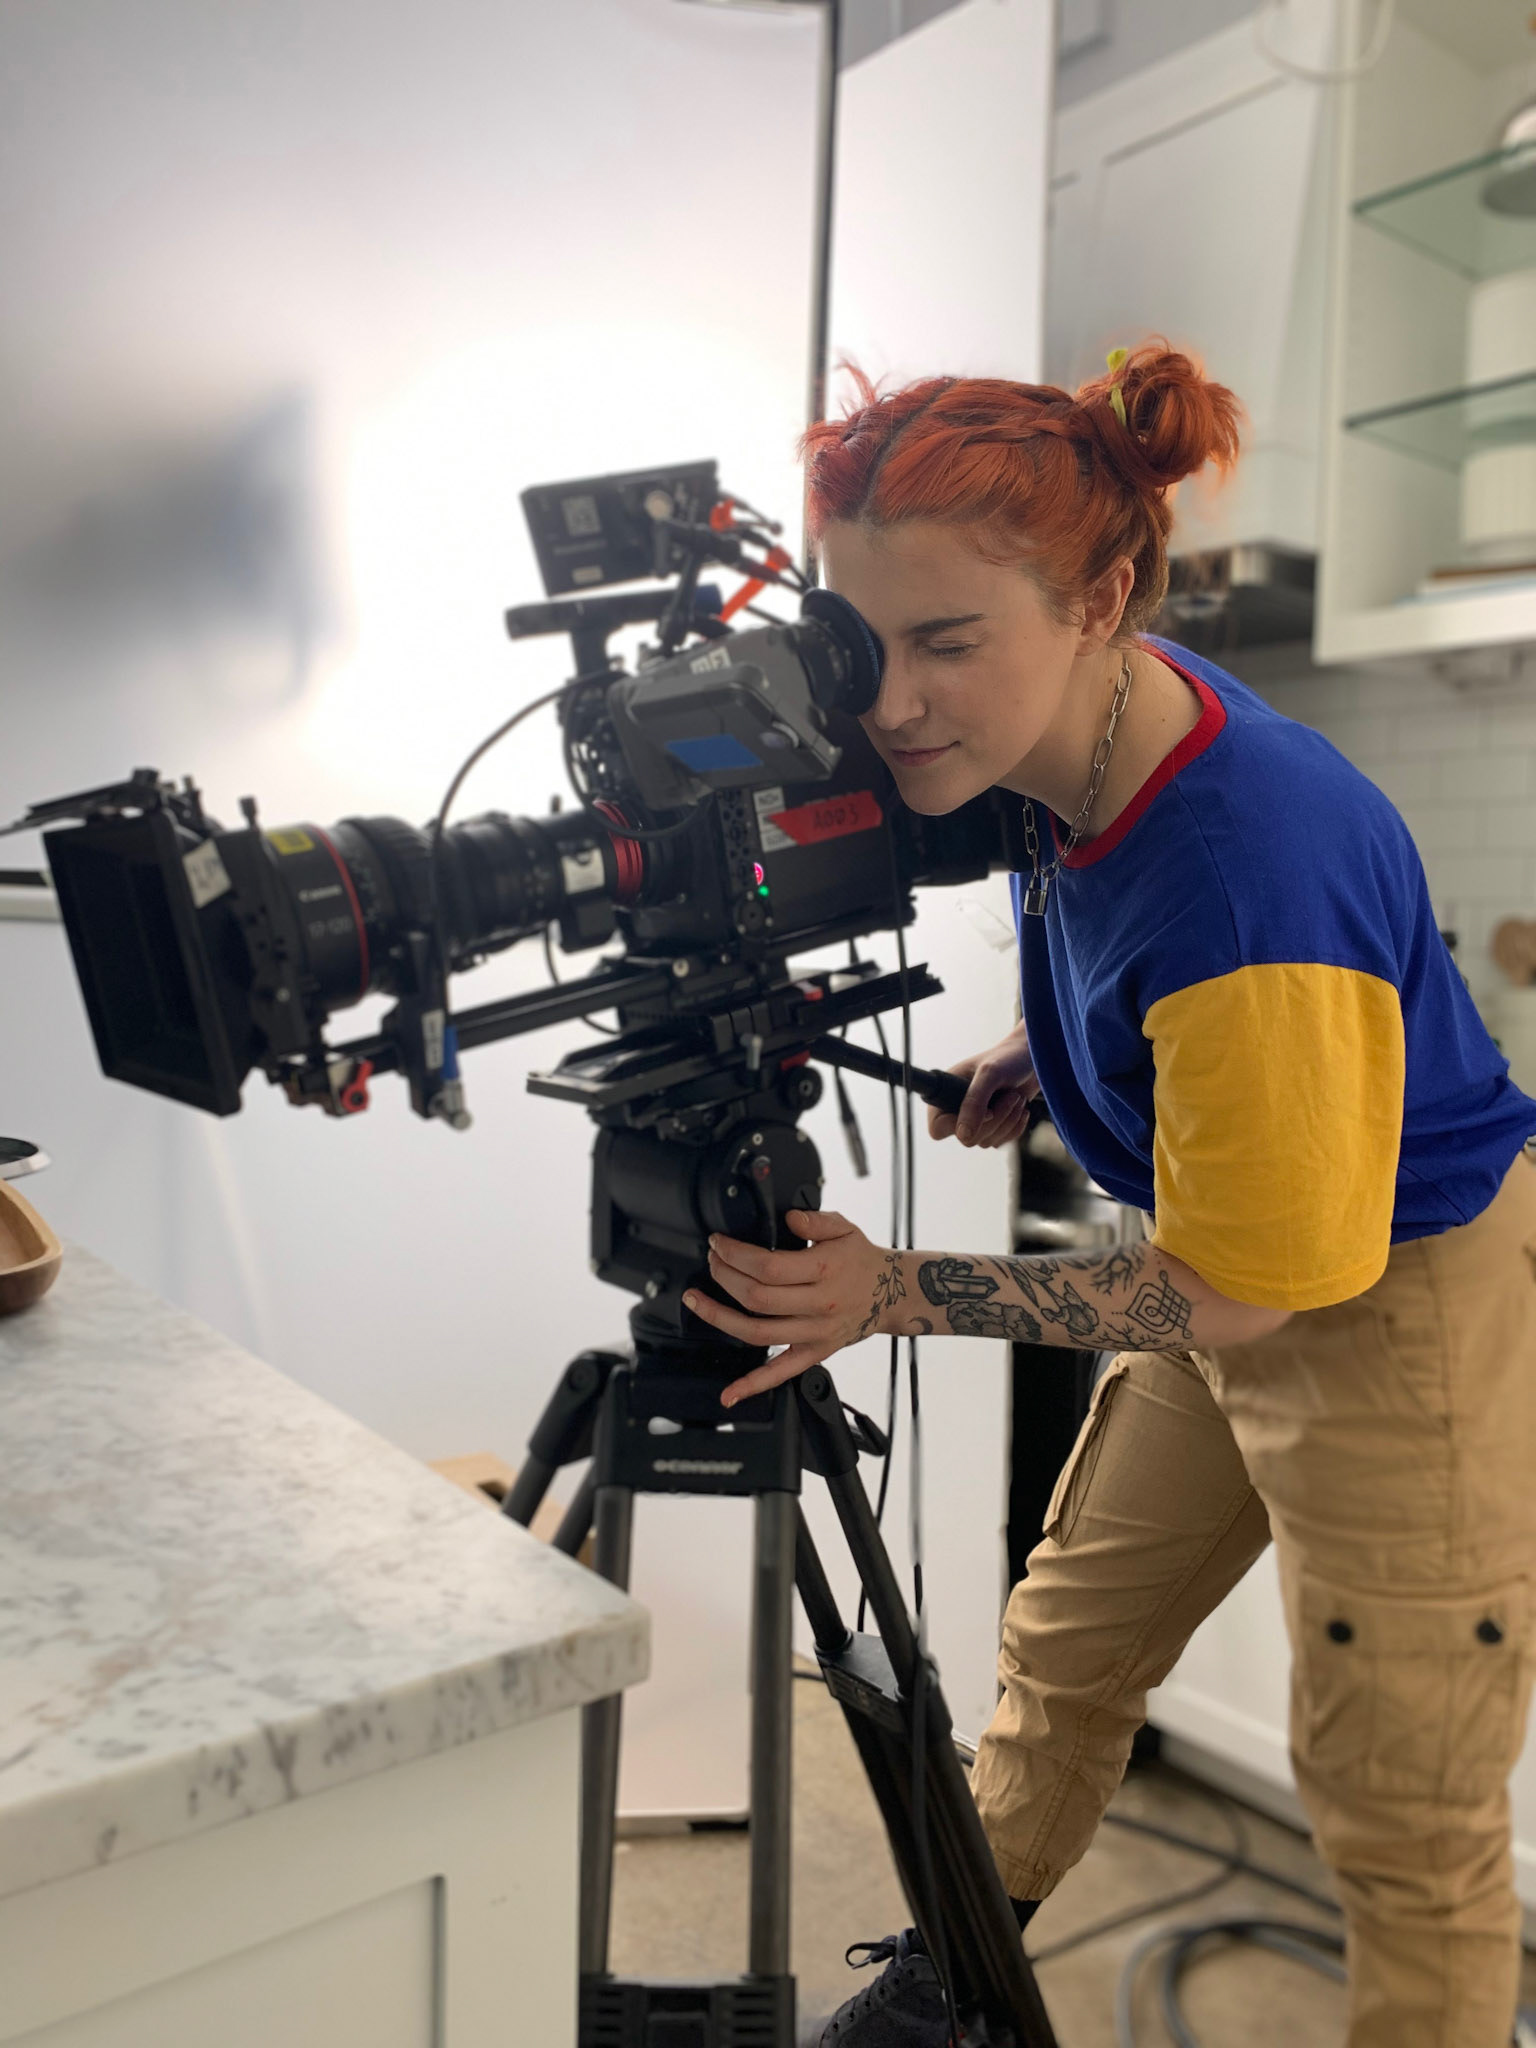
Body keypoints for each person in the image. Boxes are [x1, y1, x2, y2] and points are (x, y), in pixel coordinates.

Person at [680, 342, 1536, 2048]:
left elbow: (1240, 1293)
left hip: (1402, 1303)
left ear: (1100, 602)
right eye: (861, 642)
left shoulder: (1252, 860)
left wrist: (897, 1289)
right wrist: (1053, 1042)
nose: (890, 704)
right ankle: (952, 1995)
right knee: (1065, 1645)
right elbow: (1141, 937)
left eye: (947, 643)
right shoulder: (1080, 724)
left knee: (1402, 1811)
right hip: (1233, 1249)